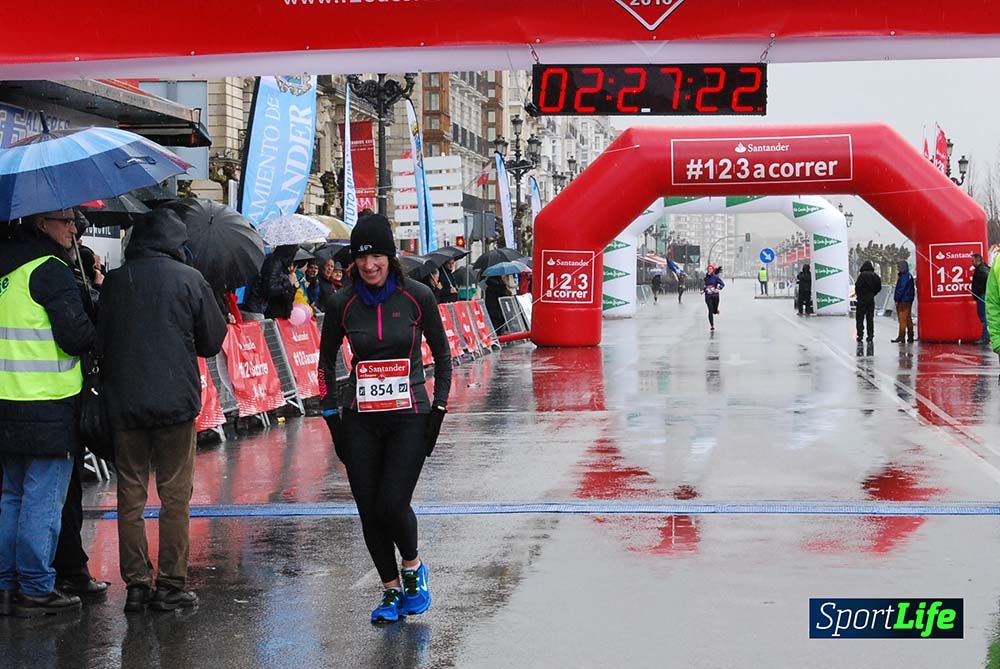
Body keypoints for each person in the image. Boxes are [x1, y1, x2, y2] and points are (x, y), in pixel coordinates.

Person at [318, 214, 452, 625]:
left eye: (377, 255)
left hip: (410, 414)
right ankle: (390, 589)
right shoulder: (343, 303)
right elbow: (325, 366)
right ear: (353, 262)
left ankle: (413, 569)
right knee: (368, 509)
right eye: (362, 257)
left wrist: (439, 411)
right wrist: (332, 419)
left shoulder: (416, 297)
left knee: (392, 502)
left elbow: (443, 357)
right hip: (361, 419)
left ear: (390, 257)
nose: (370, 264)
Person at [98, 209, 227, 613]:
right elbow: (212, 340)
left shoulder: (116, 281)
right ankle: (171, 584)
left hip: (126, 403)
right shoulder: (189, 279)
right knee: (175, 497)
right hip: (175, 404)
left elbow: (100, 337)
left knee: (130, 496)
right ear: (175, 242)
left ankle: (136, 585)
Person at [0, 210, 95, 618]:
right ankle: (37, 586)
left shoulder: (7, 270)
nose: (74, 228)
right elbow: (76, 338)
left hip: (8, 401)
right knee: (42, 498)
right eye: (66, 220)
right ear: (42, 224)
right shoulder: (50, 270)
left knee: (11, 497)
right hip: (47, 403)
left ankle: (5, 583)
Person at [249, 246, 299, 319]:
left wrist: (293, 285)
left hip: (264, 306)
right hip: (259, 305)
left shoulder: (282, 264)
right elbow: (270, 288)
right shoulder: (275, 262)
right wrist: (288, 282)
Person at [854, 260, 883, 343]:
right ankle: (870, 336)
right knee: (870, 318)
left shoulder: (861, 276)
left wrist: (860, 294)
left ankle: (860, 335)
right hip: (870, 299)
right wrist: (873, 293)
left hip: (861, 300)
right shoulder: (875, 276)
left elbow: (857, 287)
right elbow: (879, 287)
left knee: (860, 318)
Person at [892, 259, 916, 343]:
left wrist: (896, 298)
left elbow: (901, 288)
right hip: (908, 299)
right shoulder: (908, 276)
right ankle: (910, 336)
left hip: (903, 300)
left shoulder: (904, 276)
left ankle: (901, 336)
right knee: (908, 318)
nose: (897, 268)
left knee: (902, 319)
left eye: (898, 266)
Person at [971, 253, 990, 344]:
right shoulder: (983, 268)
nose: (972, 262)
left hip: (982, 296)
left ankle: (986, 338)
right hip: (982, 295)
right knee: (983, 317)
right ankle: (985, 337)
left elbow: (986, 282)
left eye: (973, 260)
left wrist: (979, 291)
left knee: (984, 317)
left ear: (978, 260)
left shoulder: (982, 270)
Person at [702, 264, 724, 331]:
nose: (709, 270)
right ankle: (712, 325)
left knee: (714, 311)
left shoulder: (716, 277)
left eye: (711, 269)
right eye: (708, 269)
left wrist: (718, 288)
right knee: (710, 310)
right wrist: (703, 290)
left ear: (713, 270)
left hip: (715, 296)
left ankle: (716, 310)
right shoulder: (705, 278)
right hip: (708, 296)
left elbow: (722, 284)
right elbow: (705, 286)